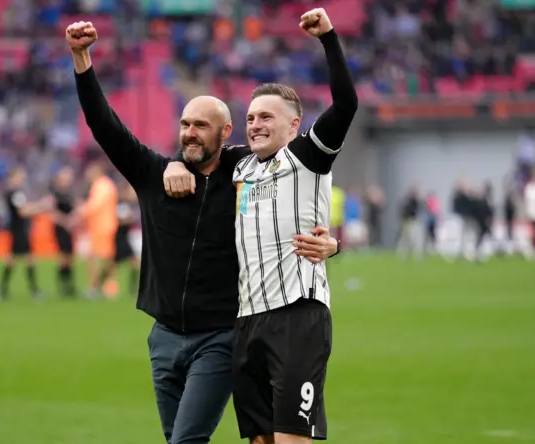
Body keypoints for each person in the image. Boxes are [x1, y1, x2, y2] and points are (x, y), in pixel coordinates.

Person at [65, 19, 340, 444]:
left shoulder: (247, 170)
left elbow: (298, 182)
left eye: (200, 126)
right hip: (163, 338)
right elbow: (105, 127)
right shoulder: (153, 173)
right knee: (178, 437)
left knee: (186, 439)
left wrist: (332, 242)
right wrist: (82, 60)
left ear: (226, 133)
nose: (190, 133)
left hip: (219, 335)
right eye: (185, 125)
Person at [164, 8, 357, 442]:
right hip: (247, 321)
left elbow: (346, 103)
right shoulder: (241, 166)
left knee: (292, 437)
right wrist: (173, 164)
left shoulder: (308, 157)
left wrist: (327, 37)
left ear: (294, 125)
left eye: (266, 117)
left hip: (297, 316)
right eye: (250, 118)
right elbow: (197, 146)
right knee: (260, 439)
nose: (255, 124)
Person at [0, 167, 47, 300]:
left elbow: (25, 207)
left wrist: (37, 207)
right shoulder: (16, 193)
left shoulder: (14, 193)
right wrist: (41, 207)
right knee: (27, 259)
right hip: (20, 230)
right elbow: (23, 211)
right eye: (19, 176)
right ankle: (34, 290)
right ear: (12, 178)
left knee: (13, 259)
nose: (22, 179)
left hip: (17, 229)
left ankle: (3, 289)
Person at [73, 161, 119, 298]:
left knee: (97, 257)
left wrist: (80, 211)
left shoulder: (101, 185)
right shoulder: (105, 184)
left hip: (102, 226)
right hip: (104, 225)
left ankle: (96, 286)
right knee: (104, 257)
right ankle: (107, 286)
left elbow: (95, 205)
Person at [49, 166, 77, 297]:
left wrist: (73, 220)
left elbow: (76, 209)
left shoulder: (70, 194)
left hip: (70, 228)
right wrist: (65, 221)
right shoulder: (54, 194)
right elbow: (52, 213)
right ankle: (62, 285)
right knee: (63, 257)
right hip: (60, 228)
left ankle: (69, 285)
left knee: (70, 257)